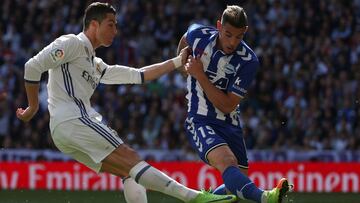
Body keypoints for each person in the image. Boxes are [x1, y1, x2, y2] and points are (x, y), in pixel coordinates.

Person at [16, 2, 236, 203]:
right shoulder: (72, 43)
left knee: (127, 171)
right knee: (130, 157)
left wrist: (178, 61)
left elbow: (139, 75)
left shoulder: (95, 64)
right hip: (73, 119)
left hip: (64, 131)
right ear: (94, 24)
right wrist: (34, 106)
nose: (115, 31)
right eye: (110, 24)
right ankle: (194, 198)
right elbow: (32, 66)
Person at [177, 5, 292, 203]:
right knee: (228, 163)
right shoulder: (198, 34)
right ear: (219, 26)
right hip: (200, 118)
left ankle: (208, 199)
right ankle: (267, 197)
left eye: (238, 37)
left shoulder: (249, 61)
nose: (232, 42)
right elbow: (185, 40)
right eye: (228, 34)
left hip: (230, 121)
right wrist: (183, 64)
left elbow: (227, 105)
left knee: (237, 185)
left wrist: (199, 75)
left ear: (244, 32)